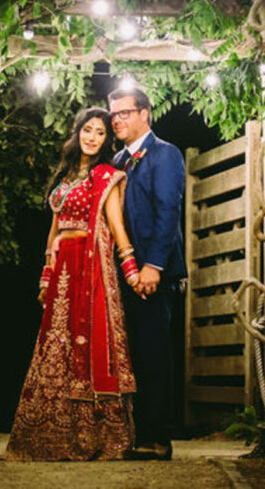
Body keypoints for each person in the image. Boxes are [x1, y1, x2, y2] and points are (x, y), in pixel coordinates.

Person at [5, 108, 142, 461]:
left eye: (99, 132)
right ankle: (50, 436)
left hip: (89, 267)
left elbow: (115, 226)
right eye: (87, 130)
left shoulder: (106, 176)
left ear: (105, 140)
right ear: (77, 132)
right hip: (62, 267)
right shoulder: (65, 176)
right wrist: (46, 275)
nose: (92, 137)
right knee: (55, 346)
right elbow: (54, 231)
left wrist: (130, 270)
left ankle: (93, 436)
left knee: (86, 345)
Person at [107, 85, 186, 460]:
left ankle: (159, 438)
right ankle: (134, 433)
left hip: (153, 270)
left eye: (125, 113)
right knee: (132, 352)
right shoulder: (118, 161)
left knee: (154, 351)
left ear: (145, 114)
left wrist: (153, 266)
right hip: (123, 271)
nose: (117, 120)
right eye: (114, 115)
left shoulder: (165, 155)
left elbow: (169, 212)